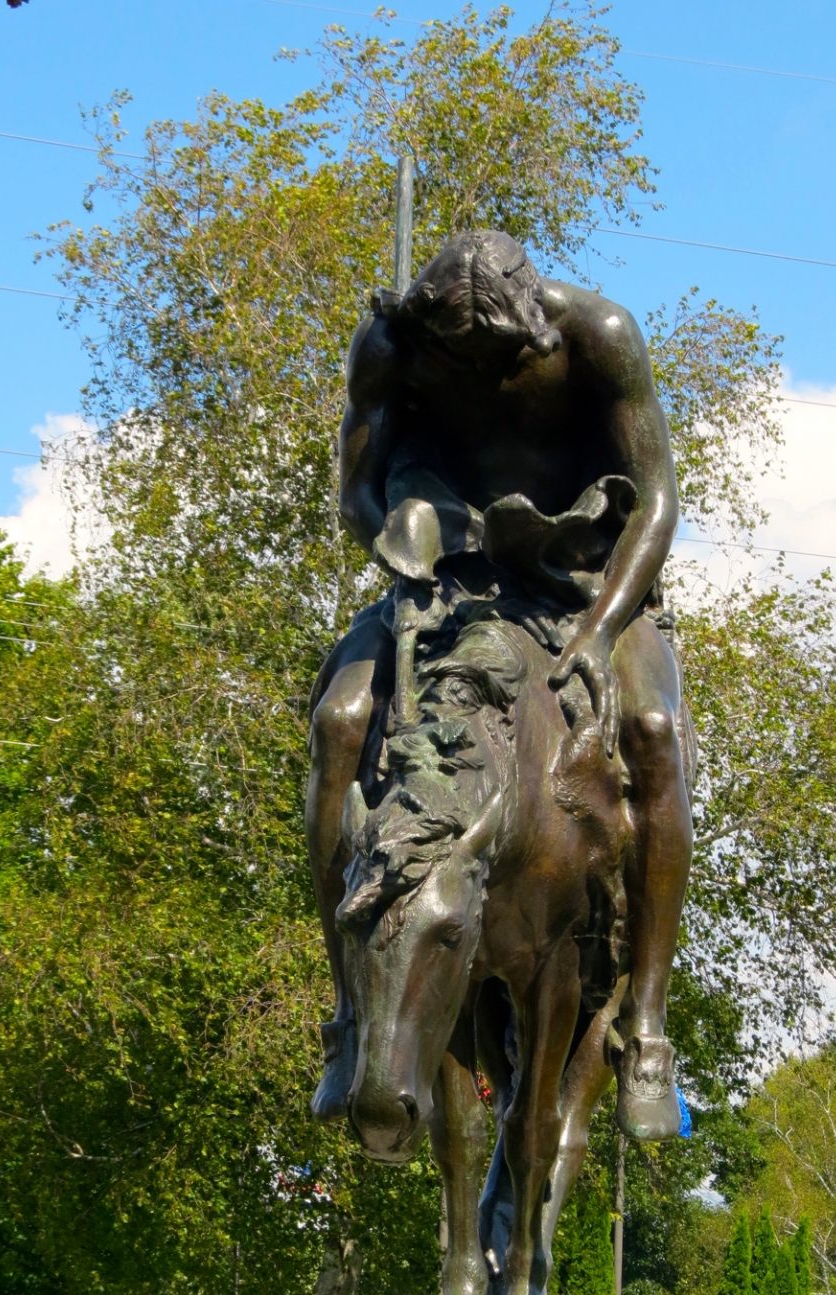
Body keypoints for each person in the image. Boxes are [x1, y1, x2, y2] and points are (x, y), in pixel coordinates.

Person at [307, 230, 692, 1140]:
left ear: (534, 324)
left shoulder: (600, 334)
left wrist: (600, 634)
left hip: (589, 581)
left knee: (651, 731)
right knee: (340, 721)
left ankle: (647, 1029)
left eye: (502, 356)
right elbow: (355, 488)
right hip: (449, 578)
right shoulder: (392, 345)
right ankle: (350, 1015)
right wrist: (408, 539)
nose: (481, 372)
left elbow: (659, 498)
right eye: (462, 358)